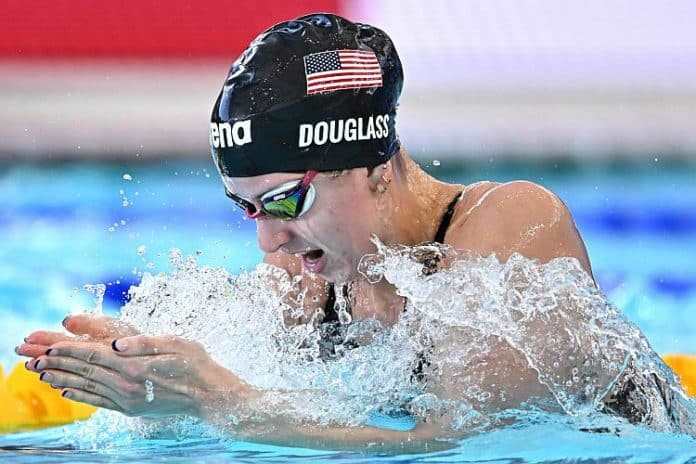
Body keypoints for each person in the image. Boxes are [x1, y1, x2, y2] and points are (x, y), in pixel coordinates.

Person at [17, 13, 663, 450]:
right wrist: (149, 375)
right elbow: (247, 385)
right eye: (248, 209)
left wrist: (221, 402)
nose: (270, 243)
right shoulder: (308, 275)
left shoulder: (512, 228)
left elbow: (450, 442)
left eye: (288, 200)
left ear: (375, 166)